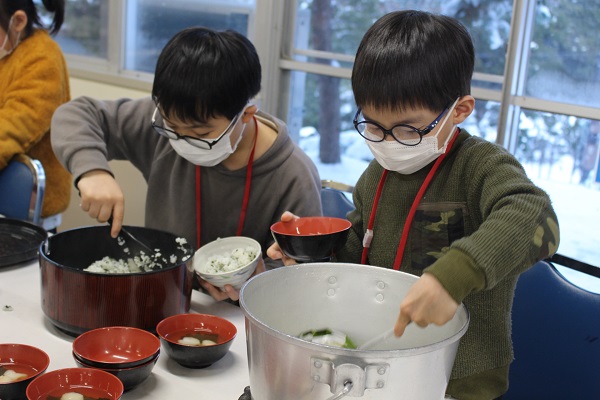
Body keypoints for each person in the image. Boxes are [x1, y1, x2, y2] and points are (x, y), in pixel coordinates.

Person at [268, 10, 560, 400]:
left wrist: (453, 275)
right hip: (380, 366)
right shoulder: (377, 176)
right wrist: (312, 252)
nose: (387, 142)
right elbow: (359, 256)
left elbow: (536, 216)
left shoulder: (479, 167)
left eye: (408, 129)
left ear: (459, 110)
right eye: (373, 126)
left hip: (459, 377)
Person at [51, 27, 322, 301]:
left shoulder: (293, 174)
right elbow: (75, 115)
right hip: (161, 299)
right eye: (172, 127)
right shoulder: (169, 122)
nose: (182, 139)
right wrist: (92, 170)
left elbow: (306, 281)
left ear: (245, 114)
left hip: (242, 319)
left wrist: (261, 279)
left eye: (201, 135)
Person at [0, 0, 71, 230]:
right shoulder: (5, 49)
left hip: (27, 219)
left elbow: (12, 128)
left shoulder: (43, 57)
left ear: (18, 21)